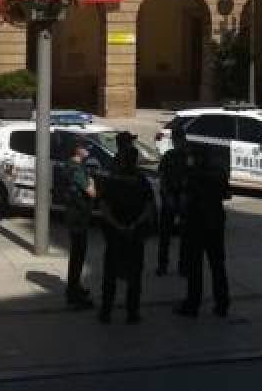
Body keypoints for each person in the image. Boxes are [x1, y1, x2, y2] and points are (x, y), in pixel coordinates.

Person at [98, 143, 154, 325]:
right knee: (134, 276)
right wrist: (134, 225)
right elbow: (148, 208)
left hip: (116, 234)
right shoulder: (142, 181)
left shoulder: (113, 181)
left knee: (111, 276)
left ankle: (106, 311)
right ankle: (132, 312)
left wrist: (117, 225)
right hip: (133, 235)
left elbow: (104, 208)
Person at [176, 140, 230, 318]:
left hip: (196, 224)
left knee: (195, 267)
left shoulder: (192, 175)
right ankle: (222, 303)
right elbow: (226, 194)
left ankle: (193, 304)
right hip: (215, 224)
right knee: (217, 266)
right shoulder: (218, 174)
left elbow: (185, 198)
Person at [62, 137, 97, 310]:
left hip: (77, 216)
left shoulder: (74, 166)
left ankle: (75, 287)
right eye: (85, 147)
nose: (88, 149)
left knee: (78, 256)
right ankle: (73, 293)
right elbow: (91, 192)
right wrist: (92, 181)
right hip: (78, 218)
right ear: (77, 150)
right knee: (78, 256)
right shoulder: (75, 169)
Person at [156, 128, 188, 276]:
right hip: (170, 197)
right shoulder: (168, 156)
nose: (178, 142)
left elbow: (192, 179)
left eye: (180, 139)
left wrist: (185, 196)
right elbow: (162, 177)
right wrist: (166, 196)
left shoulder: (189, 157)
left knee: (185, 236)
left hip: (183, 199)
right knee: (165, 236)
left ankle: (183, 266)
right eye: (176, 139)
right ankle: (162, 265)